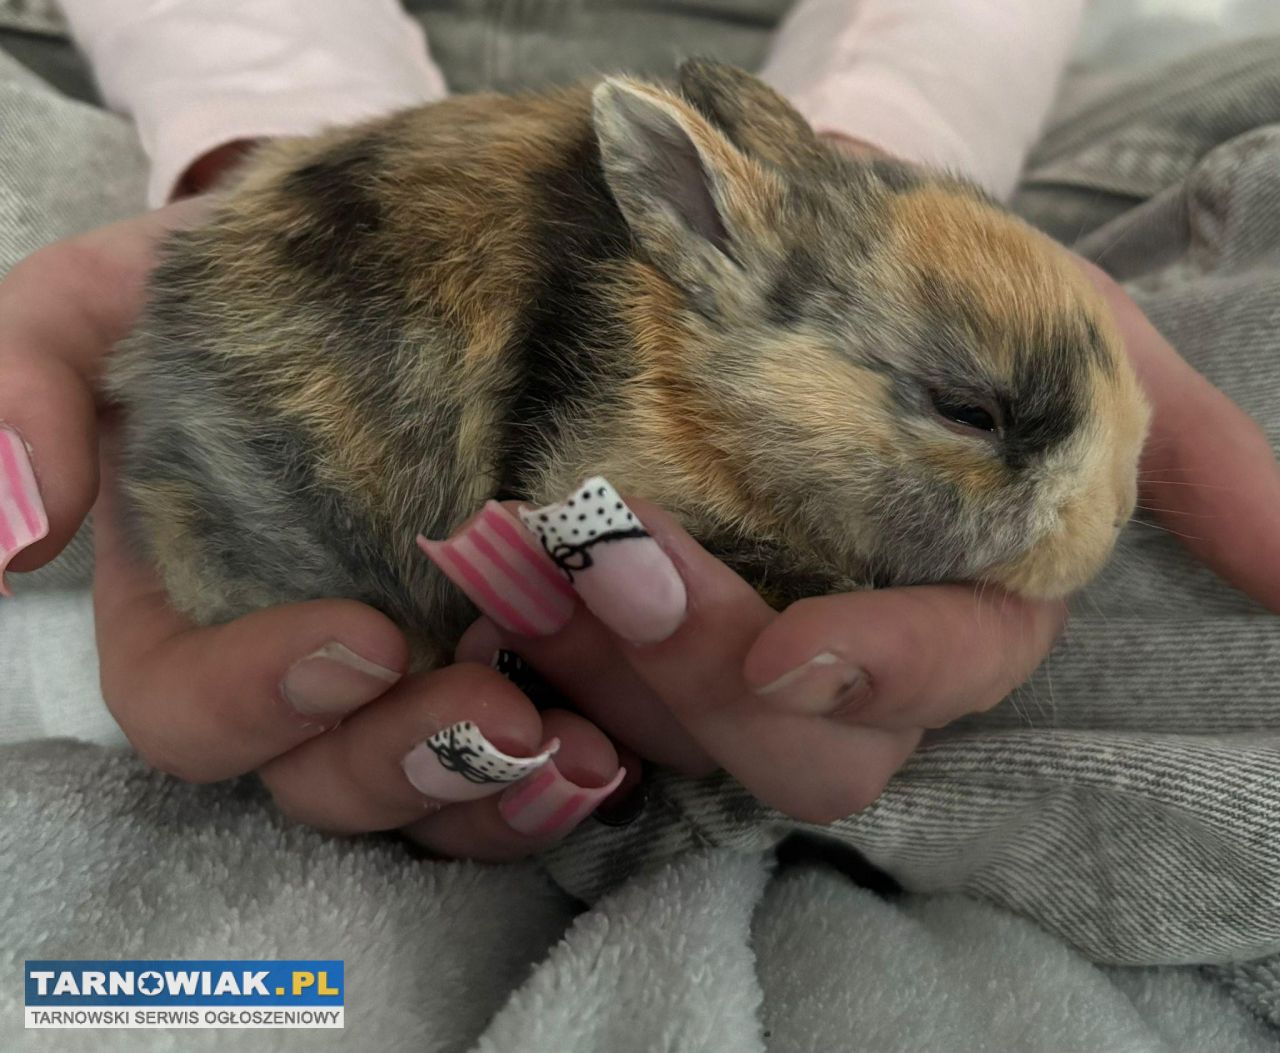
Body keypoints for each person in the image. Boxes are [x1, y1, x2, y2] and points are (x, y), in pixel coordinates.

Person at [1, 0, 1277, 861]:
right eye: (966, 416)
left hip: (890, 127)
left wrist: (878, 152)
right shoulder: (664, 391)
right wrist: (245, 137)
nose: (1092, 502)